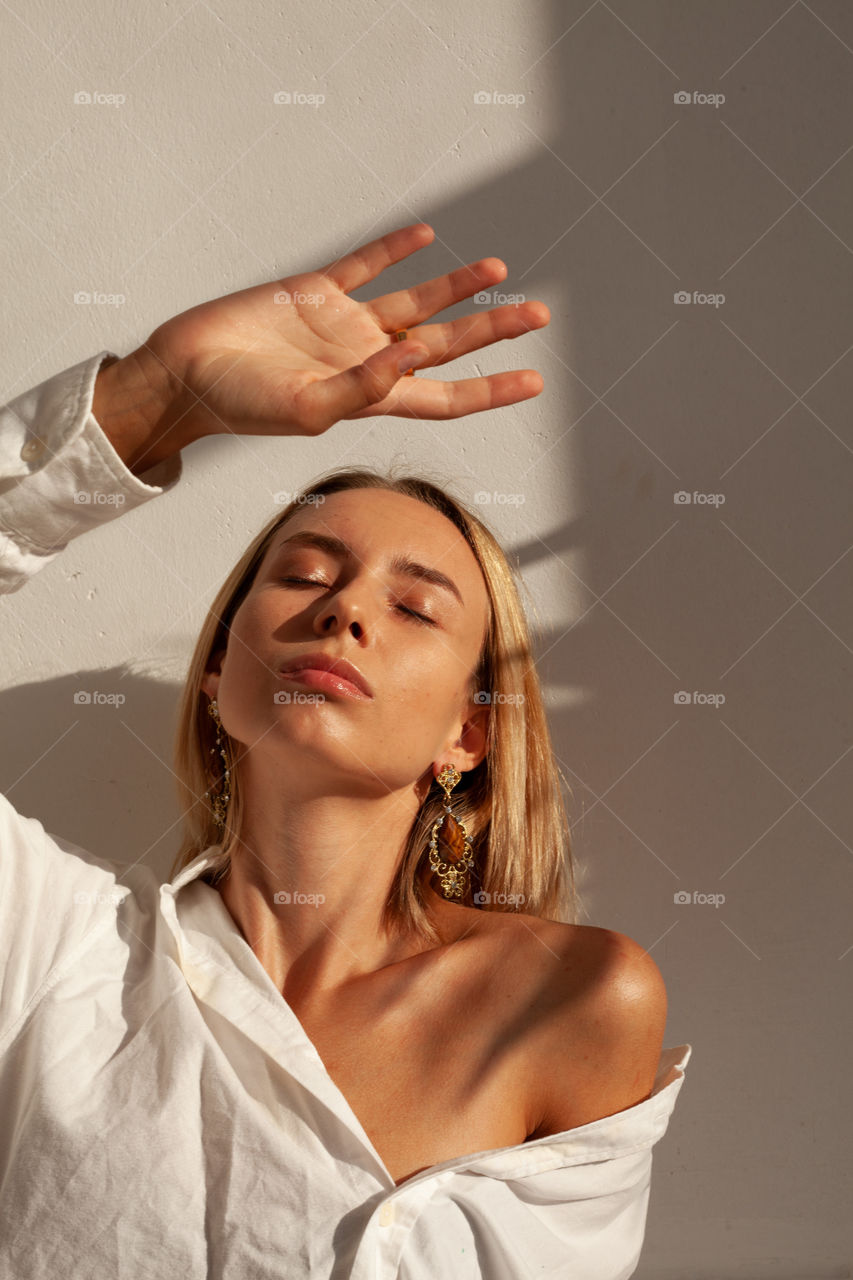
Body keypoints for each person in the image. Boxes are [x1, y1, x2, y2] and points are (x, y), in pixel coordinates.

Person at [0, 221, 690, 1278]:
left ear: (468, 734)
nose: (346, 612)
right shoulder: (57, 951)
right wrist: (155, 392)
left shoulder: (572, 998)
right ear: (220, 678)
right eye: (305, 575)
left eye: (415, 607)